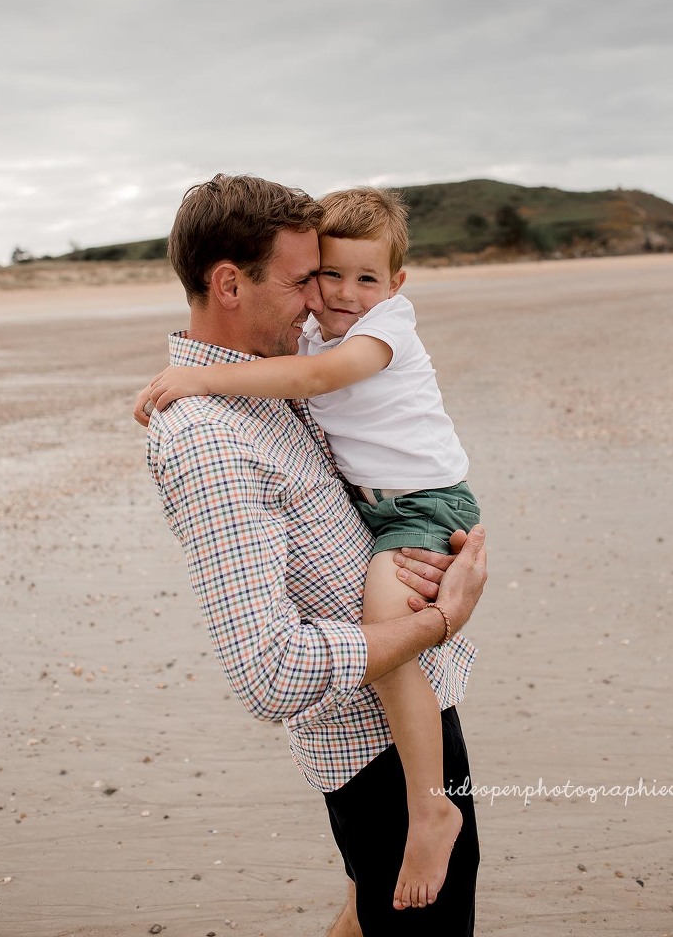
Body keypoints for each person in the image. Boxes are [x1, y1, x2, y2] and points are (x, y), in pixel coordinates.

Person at [134, 174, 487, 936]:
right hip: (372, 752)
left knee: (370, 911)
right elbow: (270, 674)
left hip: (409, 703)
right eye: (304, 280)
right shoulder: (207, 432)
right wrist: (438, 619)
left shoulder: (272, 378)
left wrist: (429, 555)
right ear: (230, 283)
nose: (321, 301)